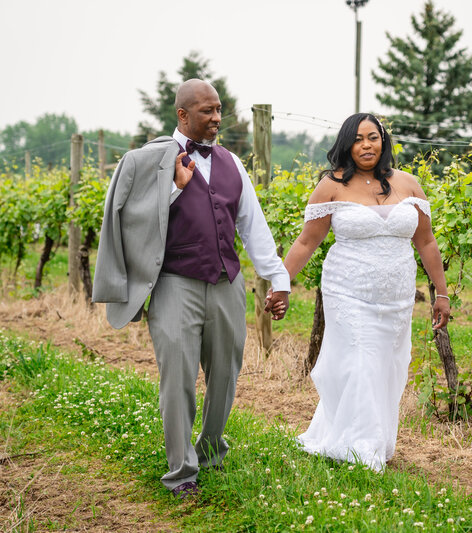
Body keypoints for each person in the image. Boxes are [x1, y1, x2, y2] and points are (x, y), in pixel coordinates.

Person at [92, 79, 290, 498]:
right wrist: (174, 188)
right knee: (178, 378)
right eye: (206, 111)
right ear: (182, 115)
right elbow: (128, 222)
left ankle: (212, 449)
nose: (217, 118)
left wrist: (279, 278)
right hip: (174, 284)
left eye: (219, 110)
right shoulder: (147, 162)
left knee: (226, 376)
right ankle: (182, 472)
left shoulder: (234, 164)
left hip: (226, 284)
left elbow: (253, 228)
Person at [267, 113, 450, 472]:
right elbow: (307, 241)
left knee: (388, 368)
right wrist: (281, 284)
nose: (366, 145)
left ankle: (364, 437)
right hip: (348, 292)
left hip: (397, 298)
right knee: (361, 363)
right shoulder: (331, 186)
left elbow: (426, 241)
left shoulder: (409, 184)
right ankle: (362, 450)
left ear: (383, 141)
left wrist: (441, 294)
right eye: (358, 139)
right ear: (347, 144)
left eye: (373, 137)